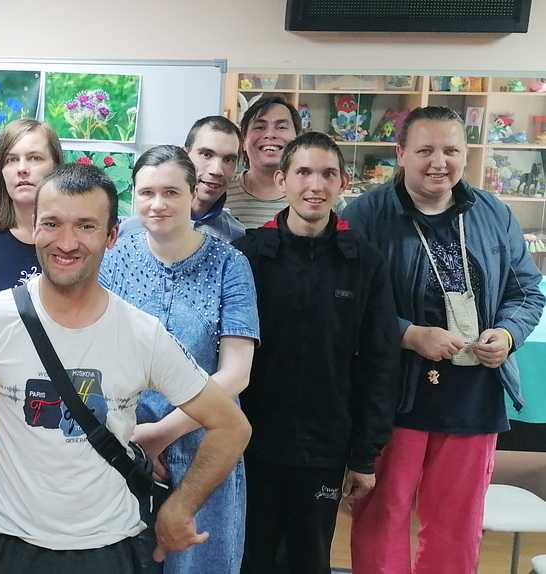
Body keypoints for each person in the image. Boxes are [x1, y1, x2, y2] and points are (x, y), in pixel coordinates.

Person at [0, 163, 252, 574]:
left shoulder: (142, 334)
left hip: (109, 548)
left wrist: (181, 505)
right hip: (10, 542)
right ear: (34, 228)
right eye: (52, 223)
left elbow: (232, 427)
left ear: (111, 236)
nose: (66, 242)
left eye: (86, 226)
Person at [344, 107, 546, 573]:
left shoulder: (492, 213)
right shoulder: (366, 215)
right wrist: (408, 334)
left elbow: (526, 292)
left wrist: (508, 334)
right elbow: (344, 302)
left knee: (456, 525)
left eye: (451, 150)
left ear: (466, 153)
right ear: (400, 154)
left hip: (474, 395)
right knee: (383, 516)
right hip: (394, 395)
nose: (439, 162)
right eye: (425, 150)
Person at [232, 132, 399, 574]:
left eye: (328, 174)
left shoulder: (364, 262)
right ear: (282, 179)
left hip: (324, 448)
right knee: (250, 559)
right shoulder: (247, 256)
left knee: (309, 560)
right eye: (304, 172)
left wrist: (364, 455)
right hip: (250, 445)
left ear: (343, 182)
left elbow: (381, 363)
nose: (316, 185)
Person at [100, 145, 259, 573]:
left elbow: (236, 373)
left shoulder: (230, 264)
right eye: (147, 192)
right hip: (126, 446)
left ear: (192, 194)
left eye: (171, 192)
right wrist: (136, 437)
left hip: (205, 449)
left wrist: (162, 433)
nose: (158, 204)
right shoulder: (114, 260)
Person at [0, 119, 62, 300]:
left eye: (35, 158)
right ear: (1, 171)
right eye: (11, 160)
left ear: (56, 166)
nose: (22, 169)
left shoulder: (75, 238)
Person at [119, 116, 246, 242]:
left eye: (228, 160)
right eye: (206, 155)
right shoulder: (129, 232)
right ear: (185, 154)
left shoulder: (237, 237)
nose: (217, 170)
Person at [224, 97, 302, 228]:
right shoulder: (220, 193)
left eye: (281, 127)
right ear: (243, 141)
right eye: (259, 127)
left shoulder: (318, 196)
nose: (270, 134)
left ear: (298, 139)